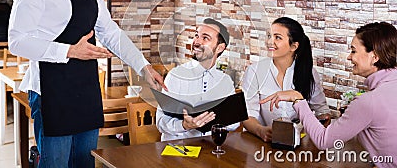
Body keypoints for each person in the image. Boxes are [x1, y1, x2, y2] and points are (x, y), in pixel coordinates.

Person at [8, 0, 165, 168]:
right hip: (51, 92)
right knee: (55, 164)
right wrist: (70, 51)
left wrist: (143, 66)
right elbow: (17, 42)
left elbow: (110, 31)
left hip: (86, 89)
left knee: (85, 162)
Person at [261, 22, 397, 168]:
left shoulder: (369, 101)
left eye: (353, 51)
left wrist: (297, 98)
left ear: (374, 57)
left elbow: (323, 140)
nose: (349, 57)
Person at [242, 17, 330, 142]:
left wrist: (323, 120)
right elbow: (247, 115)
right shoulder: (254, 71)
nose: (270, 42)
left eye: (277, 37)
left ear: (293, 46)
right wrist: (260, 130)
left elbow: (321, 111)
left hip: (300, 146)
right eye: (269, 36)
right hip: (263, 145)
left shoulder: (309, 73)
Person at [156, 18, 239, 140]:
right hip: (178, 151)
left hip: (210, 148)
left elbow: (235, 123)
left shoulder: (225, 81)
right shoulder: (175, 76)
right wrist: (184, 125)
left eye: (205, 38)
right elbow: (160, 121)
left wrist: (215, 119)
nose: (197, 41)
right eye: (196, 35)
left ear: (220, 48)